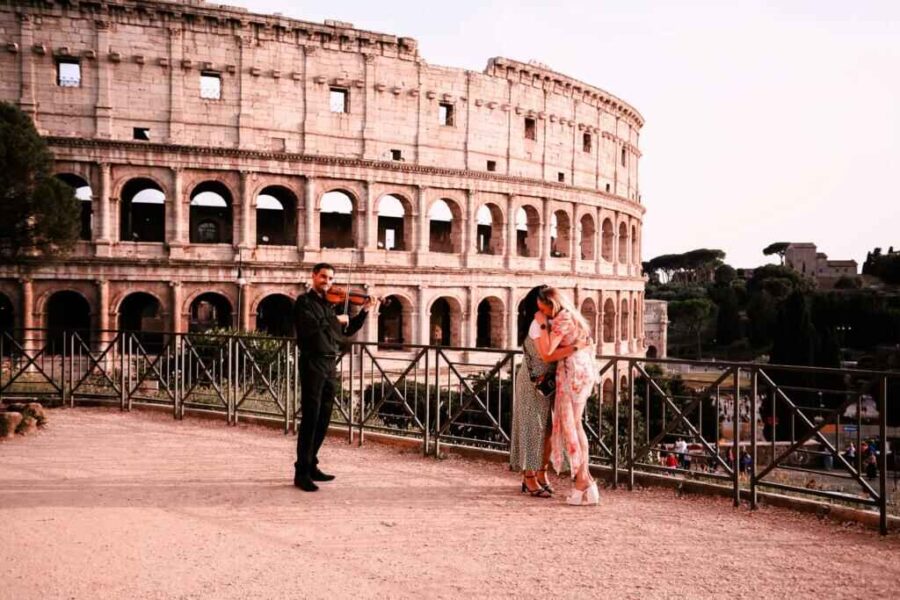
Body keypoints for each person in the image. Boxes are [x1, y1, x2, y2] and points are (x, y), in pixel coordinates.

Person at [292, 263, 377, 492]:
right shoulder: (304, 302)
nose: (327, 282)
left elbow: (346, 332)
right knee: (311, 416)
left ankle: (311, 465)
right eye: (323, 277)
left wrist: (363, 312)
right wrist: (336, 320)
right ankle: (301, 472)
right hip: (312, 362)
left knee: (324, 417)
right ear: (313, 276)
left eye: (330, 278)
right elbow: (309, 327)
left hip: (330, 364)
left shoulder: (330, 306)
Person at [510, 285, 586, 498]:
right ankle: (528, 477)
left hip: (550, 381)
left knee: (549, 431)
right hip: (533, 381)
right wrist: (576, 347)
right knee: (532, 428)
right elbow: (547, 356)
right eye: (543, 305)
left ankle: (542, 473)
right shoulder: (537, 325)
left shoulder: (554, 321)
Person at [534, 286, 600, 506]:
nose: (541, 311)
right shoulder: (571, 315)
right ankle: (587, 482)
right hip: (581, 370)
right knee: (576, 425)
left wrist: (542, 324)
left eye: (543, 308)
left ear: (551, 304)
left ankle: (583, 483)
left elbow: (547, 353)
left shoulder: (562, 319)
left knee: (572, 426)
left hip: (573, 373)